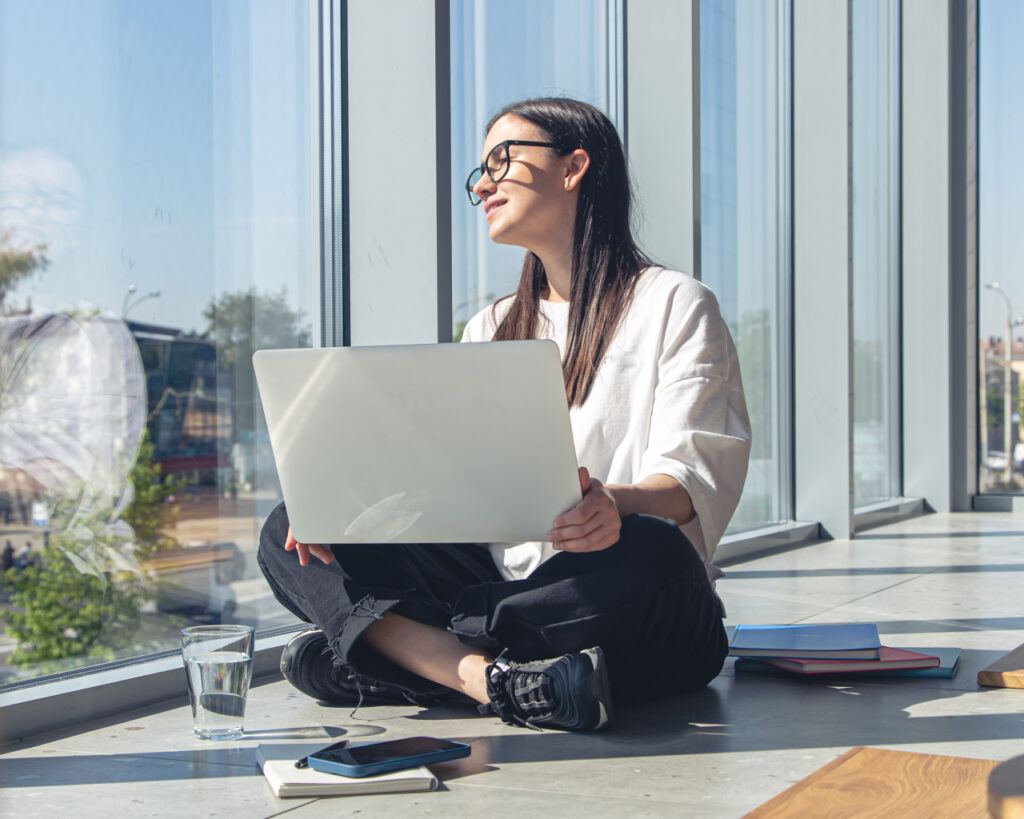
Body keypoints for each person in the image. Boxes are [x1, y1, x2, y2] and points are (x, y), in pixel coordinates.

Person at [258, 97, 751, 732]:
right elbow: (449, 485)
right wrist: (343, 510)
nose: (484, 184)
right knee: (288, 531)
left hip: (612, 597)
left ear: (575, 167)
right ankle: (493, 681)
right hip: (501, 578)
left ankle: (400, 654)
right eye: (480, 172)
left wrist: (613, 505)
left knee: (655, 554)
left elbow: (692, 480)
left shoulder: (675, 303)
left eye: (502, 160)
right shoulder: (491, 326)